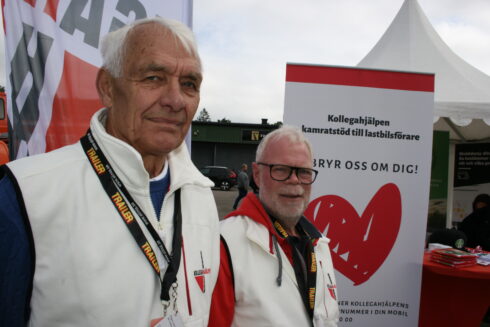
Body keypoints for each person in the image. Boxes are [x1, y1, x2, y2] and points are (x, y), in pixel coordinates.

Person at [0, 18, 220, 326]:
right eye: (154, 77)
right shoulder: (24, 195)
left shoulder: (201, 196)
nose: (175, 100)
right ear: (108, 87)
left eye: (189, 84)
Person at [209, 126, 339, 327]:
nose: (294, 180)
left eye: (303, 172)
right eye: (281, 169)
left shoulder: (319, 242)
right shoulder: (223, 245)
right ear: (257, 175)